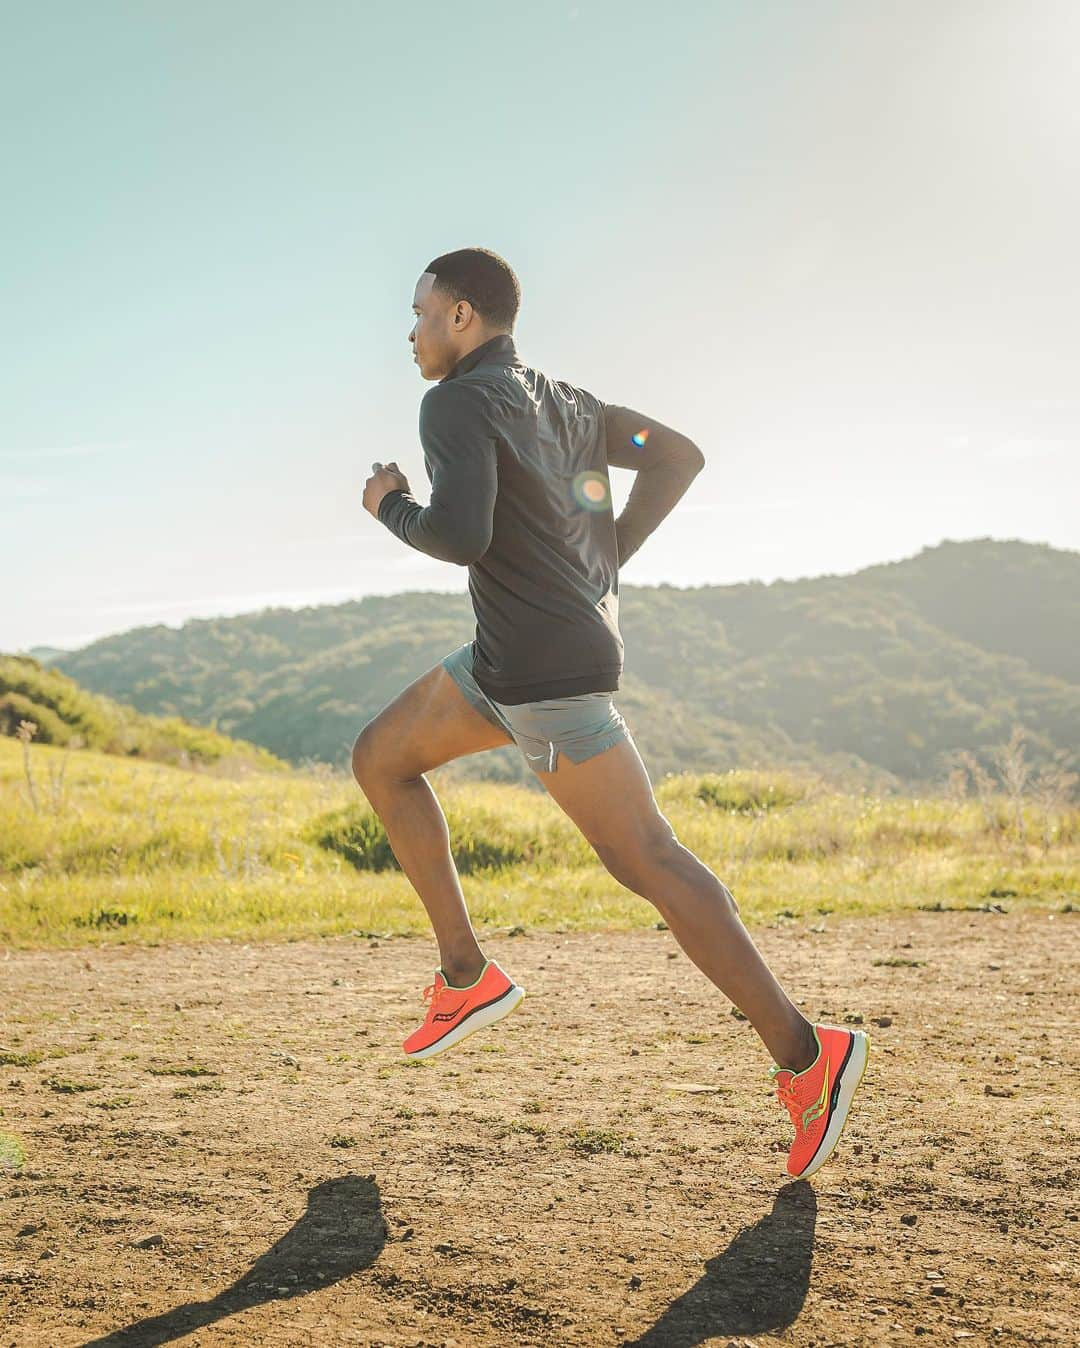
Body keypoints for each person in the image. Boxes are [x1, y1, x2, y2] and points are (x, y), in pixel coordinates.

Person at [354, 247, 868, 1179]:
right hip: (507, 661)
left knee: (649, 860)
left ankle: (807, 1055)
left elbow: (459, 534)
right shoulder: (572, 404)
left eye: (422, 312)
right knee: (381, 757)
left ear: (464, 316)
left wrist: (390, 507)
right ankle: (466, 976)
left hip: (543, 676)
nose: (413, 331)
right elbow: (678, 455)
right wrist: (605, 562)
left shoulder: (455, 402)